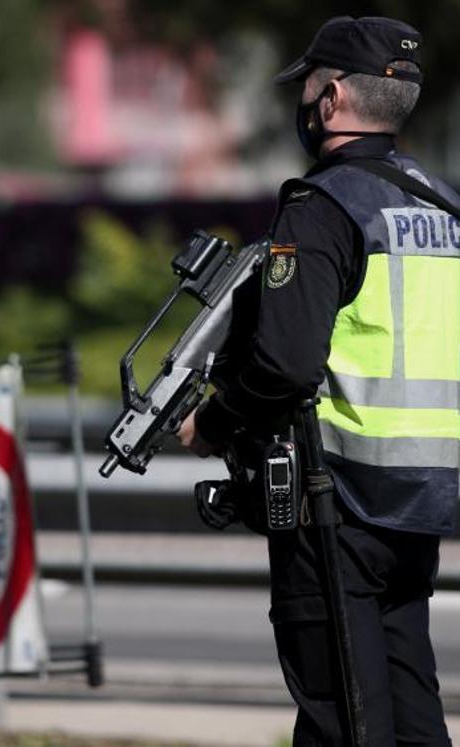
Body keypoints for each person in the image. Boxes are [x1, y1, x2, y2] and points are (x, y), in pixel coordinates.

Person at [179, 16, 455, 745]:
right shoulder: (442, 206)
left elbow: (285, 363)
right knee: (411, 711)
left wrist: (213, 423)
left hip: (339, 500)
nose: (300, 102)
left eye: (306, 86)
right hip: (423, 497)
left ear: (330, 97)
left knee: (345, 720)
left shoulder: (325, 205)